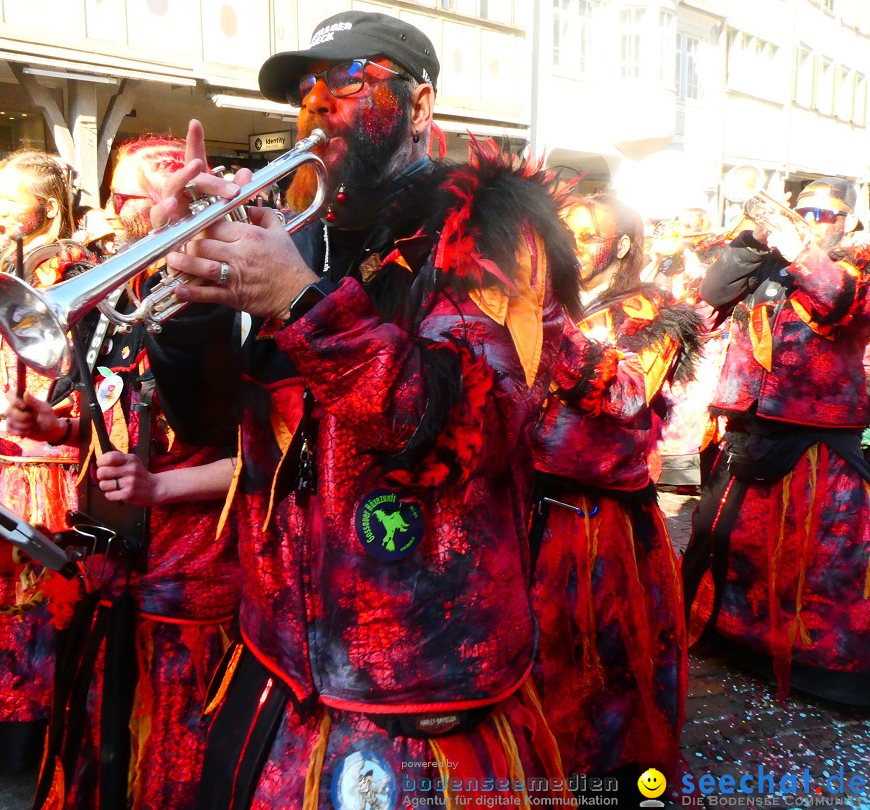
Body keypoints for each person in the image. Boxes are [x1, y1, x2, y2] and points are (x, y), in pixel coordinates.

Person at [143, 12, 580, 808]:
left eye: (349, 82)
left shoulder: (492, 230)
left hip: (417, 682)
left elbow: (466, 436)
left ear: (419, 106)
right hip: (278, 660)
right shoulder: (303, 232)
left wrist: (301, 304)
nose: (317, 105)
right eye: (305, 91)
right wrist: (192, 293)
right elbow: (214, 427)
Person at [5, 134, 240, 809]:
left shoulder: (228, 298)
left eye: (126, 198)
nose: (111, 213)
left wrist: (161, 487)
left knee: (176, 757)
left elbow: (275, 457)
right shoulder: (128, 293)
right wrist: (57, 427)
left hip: (193, 584)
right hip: (121, 565)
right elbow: (129, 420)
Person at [529, 194, 700, 801]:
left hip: (598, 526)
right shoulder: (541, 301)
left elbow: (624, 396)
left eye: (586, 232)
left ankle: (597, 776)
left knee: (598, 661)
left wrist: (543, 316)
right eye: (563, 230)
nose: (570, 243)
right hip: (524, 506)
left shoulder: (652, 308)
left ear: (622, 244)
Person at [682, 177, 870, 706]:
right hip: (749, 426)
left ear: (848, 222)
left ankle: (816, 669)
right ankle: (728, 638)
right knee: (723, 540)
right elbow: (712, 293)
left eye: (823, 213)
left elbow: (837, 300)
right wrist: (751, 241)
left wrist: (796, 243)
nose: (811, 220)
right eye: (802, 211)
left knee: (815, 561)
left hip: (818, 441)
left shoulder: (858, 266)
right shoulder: (769, 262)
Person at [0, 149, 83, 770]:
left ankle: (31, 731)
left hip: (43, 464)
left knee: (30, 606)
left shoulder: (66, 269)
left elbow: (68, 372)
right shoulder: (3, 265)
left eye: (10, 197)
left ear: (47, 208)